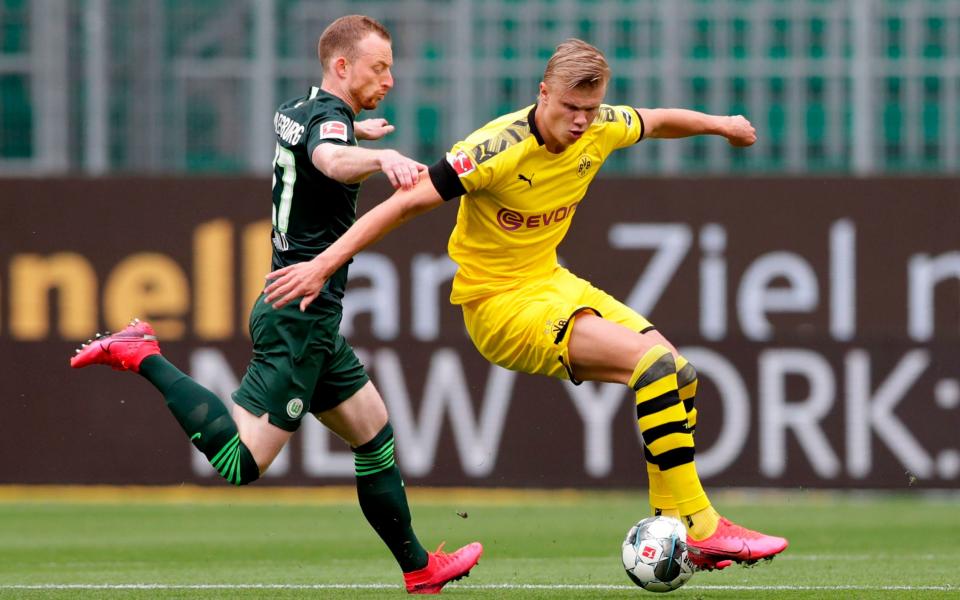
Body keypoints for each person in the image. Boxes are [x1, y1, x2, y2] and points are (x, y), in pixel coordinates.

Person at [261, 38, 789, 571]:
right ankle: (701, 524)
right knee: (650, 367)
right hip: (499, 305)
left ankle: (670, 525)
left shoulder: (602, 125)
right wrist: (323, 263)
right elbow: (403, 205)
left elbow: (656, 119)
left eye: (590, 109)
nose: (582, 121)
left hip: (552, 282)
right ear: (543, 94)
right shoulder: (496, 148)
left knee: (679, 374)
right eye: (570, 108)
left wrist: (721, 124)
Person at [70, 15, 482, 595]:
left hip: (307, 313)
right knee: (242, 464)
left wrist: (358, 138)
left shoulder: (302, 109)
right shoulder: (331, 129)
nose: (390, 78)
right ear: (342, 66)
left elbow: (318, 140)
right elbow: (329, 161)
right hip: (301, 315)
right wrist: (379, 155)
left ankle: (419, 568)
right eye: (379, 66)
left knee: (374, 434)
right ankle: (144, 355)